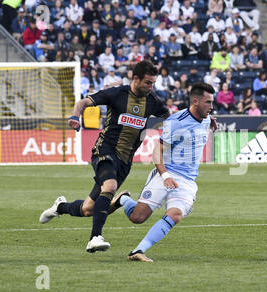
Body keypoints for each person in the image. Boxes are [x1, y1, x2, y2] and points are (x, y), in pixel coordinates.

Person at [39, 61, 170, 252]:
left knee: (88, 209)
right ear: (135, 79)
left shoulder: (152, 102)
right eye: (148, 83)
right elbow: (84, 102)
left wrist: (201, 119)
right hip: (105, 150)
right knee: (110, 186)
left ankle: (60, 207)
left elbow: (169, 117)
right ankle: (95, 238)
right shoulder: (117, 94)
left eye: (153, 83)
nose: (151, 87)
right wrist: (76, 116)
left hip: (125, 162)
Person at [115, 82, 216, 262]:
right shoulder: (176, 122)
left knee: (175, 215)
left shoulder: (207, 119)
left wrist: (211, 122)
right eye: (208, 102)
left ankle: (138, 250)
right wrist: (165, 175)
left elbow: (205, 122)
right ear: (195, 101)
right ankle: (123, 199)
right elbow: (157, 151)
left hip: (187, 181)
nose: (212, 106)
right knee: (137, 218)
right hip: (167, 173)